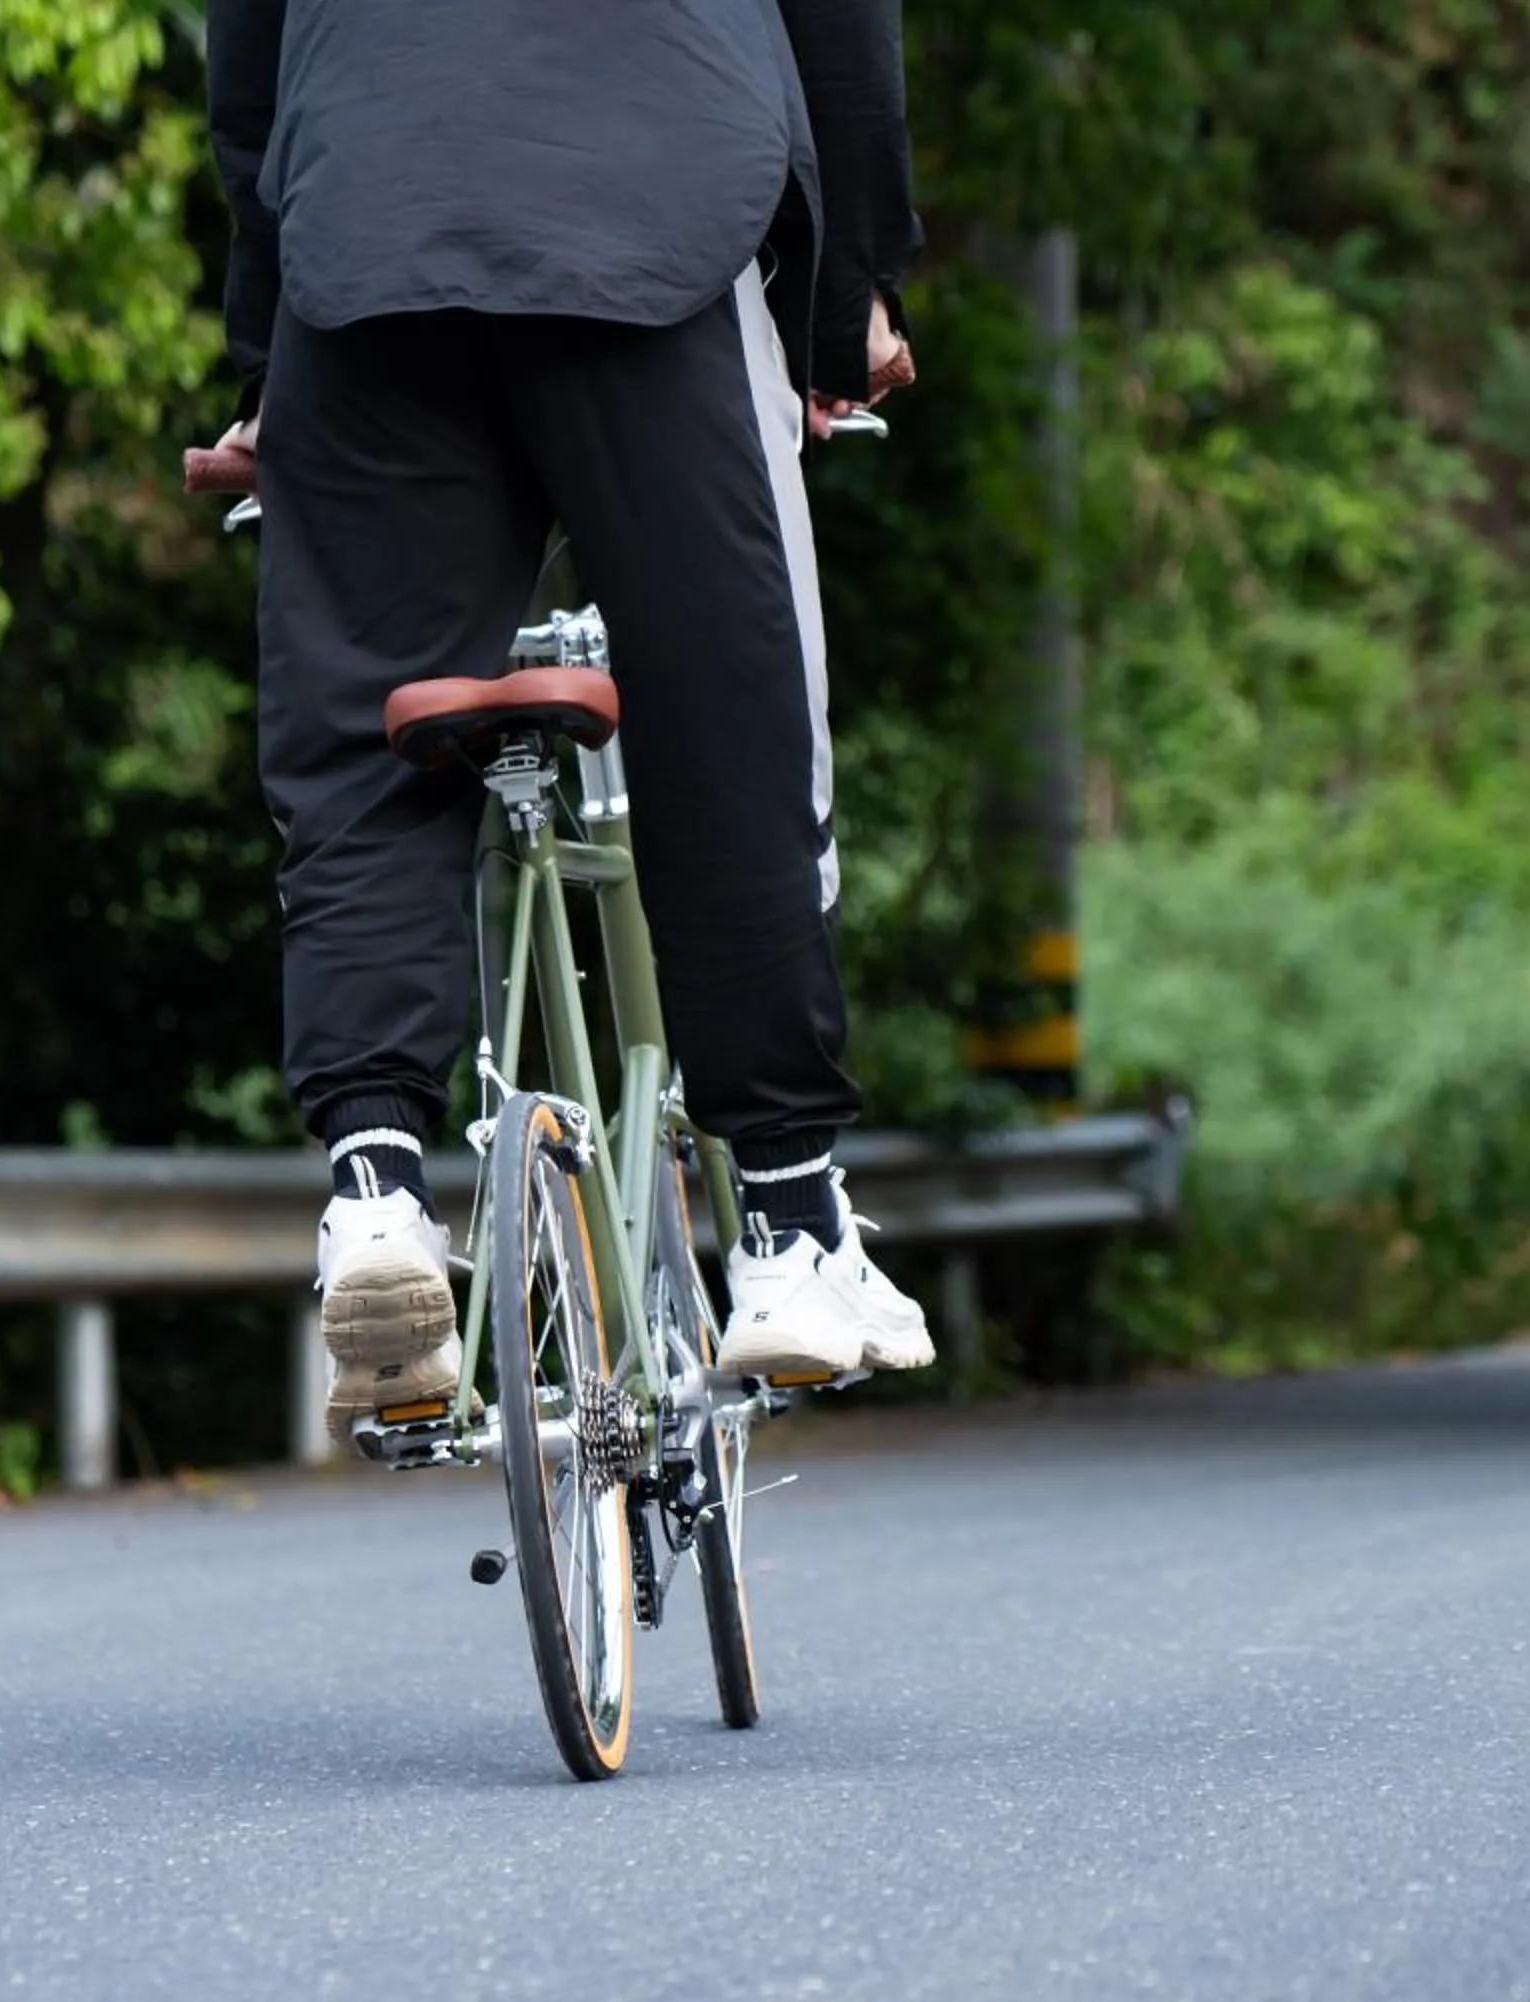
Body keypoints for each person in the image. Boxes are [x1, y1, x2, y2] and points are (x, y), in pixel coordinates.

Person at [206, 0, 936, 1410]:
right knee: (727, 706)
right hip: (661, 210)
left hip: (370, 227)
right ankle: (787, 1225)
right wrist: (840, 305)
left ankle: (374, 1192)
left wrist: (263, 364)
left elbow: (249, 53)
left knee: (361, 737)